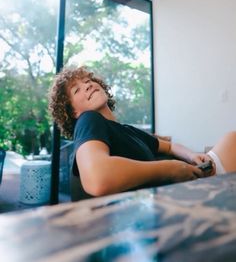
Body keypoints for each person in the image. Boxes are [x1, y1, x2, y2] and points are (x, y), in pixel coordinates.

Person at [48, 66, 236, 200]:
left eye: (88, 81)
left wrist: (191, 155)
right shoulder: (88, 119)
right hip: (167, 202)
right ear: (73, 112)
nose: (87, 85)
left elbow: (169, 146)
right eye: (77, 89)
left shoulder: (128, 130)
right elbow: (98, 178)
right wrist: (170, 169)